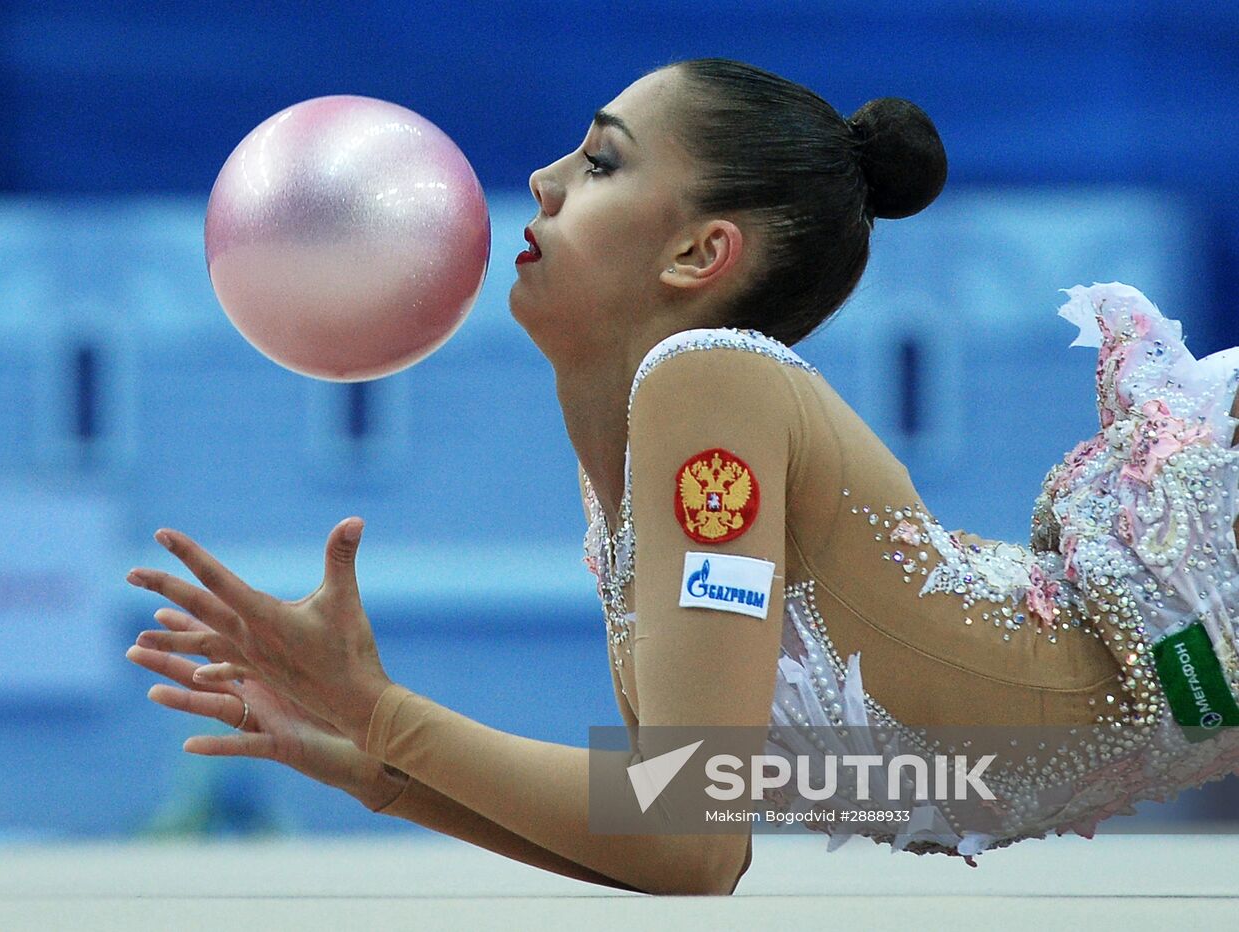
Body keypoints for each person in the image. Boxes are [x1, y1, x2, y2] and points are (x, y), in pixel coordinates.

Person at [123, 58, 1239, 894]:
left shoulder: (710, 380)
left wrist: (388, 718)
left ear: (699, 254)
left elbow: (684, 825)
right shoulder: (625, 485)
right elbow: (697, 845)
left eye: (600, 159)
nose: (540, 180)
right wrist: (375, 757)